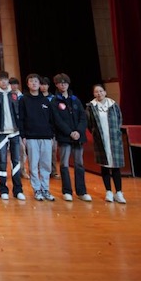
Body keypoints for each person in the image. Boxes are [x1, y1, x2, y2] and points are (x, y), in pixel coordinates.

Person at [51, 73, 91, 202]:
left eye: (65, 83)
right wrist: (69, 132)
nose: (63, 85)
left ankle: (81, 191)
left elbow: (83, 117)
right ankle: (67, 191)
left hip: (78, 137)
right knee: (64, 164)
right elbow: (57, 120)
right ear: (56, 85)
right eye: (60, 83)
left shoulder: (75, 99)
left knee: (79, 164)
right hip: (64, 137)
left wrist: (78, 131)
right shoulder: (55, 101)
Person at [18, 73, 56, 202]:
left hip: (46, 137)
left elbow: (51, 119)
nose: (34, 83)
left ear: (40, 84)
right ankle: (37, 189)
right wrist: (23, 136)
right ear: (27, 84)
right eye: (31, 81)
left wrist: (51, 135)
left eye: (36, 81)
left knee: (46, 165)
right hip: (31, 137)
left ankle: (45, 189)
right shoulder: (23, 100)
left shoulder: (45, 100)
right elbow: (21, 119)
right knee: (33, 165)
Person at [86, 83, 126, 204]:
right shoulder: (91, 107)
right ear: (94, 94)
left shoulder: (113, 105)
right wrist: (95, 133)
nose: (99, 94)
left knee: (115, 166)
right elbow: (89, 124)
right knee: (104, 166)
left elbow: (119, 119)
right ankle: (108, 191)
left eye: (101, 91)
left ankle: (119, 192)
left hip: (113, 139)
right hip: (101, 140)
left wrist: (116, 132)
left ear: (105, 92)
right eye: (96, 92)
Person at [0, 70, 25, 200]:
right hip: (0, 132)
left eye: (5, 79)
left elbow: (20, 113)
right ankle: (3, 189)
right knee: (2, 161)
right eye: (1, 80)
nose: (3, 82)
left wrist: (21, 131)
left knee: (16, 160)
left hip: (15, 132)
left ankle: (18, 190)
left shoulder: (14, 94)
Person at [40, 76, 60, 179]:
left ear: (48, 86)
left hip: (52, 130)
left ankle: (54, 171)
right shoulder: (37, 98)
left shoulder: (53, 98)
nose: (43, 87)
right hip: (40, 129)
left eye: (45, 84)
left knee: (53, 151)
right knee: (41, 152)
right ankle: (42, 171)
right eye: (42, 84)